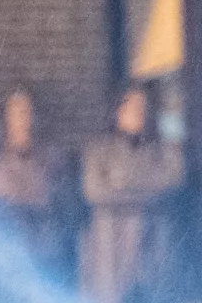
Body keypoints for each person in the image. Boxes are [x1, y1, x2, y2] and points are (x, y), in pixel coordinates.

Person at [78, 85, 182, 303]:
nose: (138, 113)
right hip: (110, 252)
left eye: (142, 107)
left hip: (149, 249)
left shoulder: (156, 151)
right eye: (132, 107)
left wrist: (121, 186)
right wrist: (144, 190)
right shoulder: (98, 151)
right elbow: (94, 192)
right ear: (118, 111)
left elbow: (170, 183)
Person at [0, 86, 80, 284]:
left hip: (48, 261)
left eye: (27, 112)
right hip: (11, 264)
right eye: (16, 113)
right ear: (6, 118)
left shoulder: (53, 162)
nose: (23, 120)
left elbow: (63, 209)